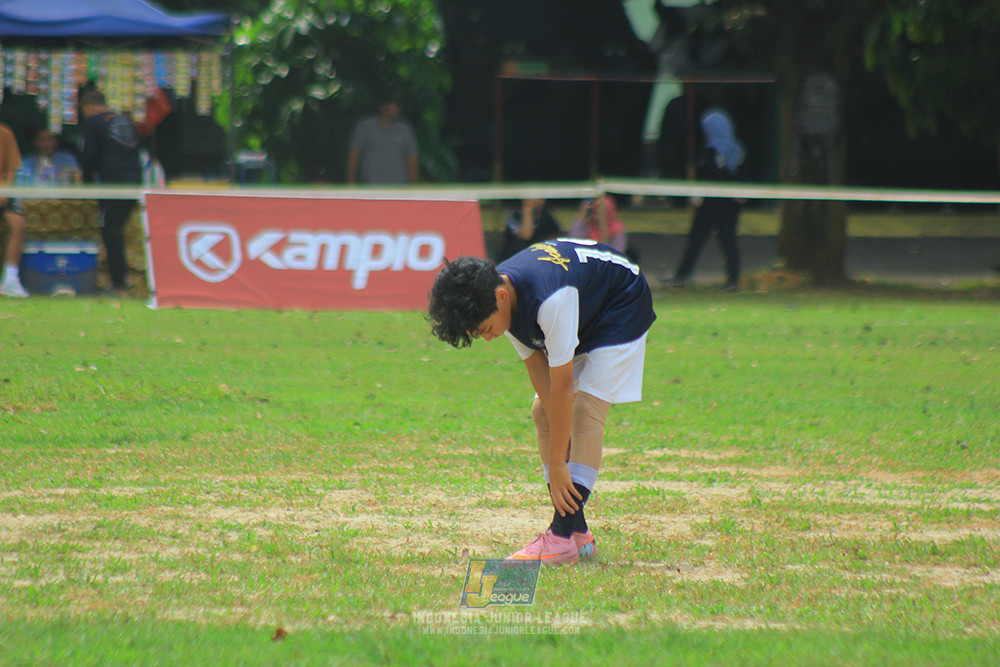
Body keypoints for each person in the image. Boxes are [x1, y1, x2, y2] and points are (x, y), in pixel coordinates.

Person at [428, 239, 656, 565]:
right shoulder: (495, 297)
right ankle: (577, 532)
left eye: (486, 329)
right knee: (541, 412)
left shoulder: (550, 298)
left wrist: (560, 463)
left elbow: (562, 386)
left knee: (585, 412)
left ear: (501, 297)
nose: (490, 338)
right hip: (585, 304)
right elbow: (538, 368)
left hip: (620, 298)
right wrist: (560, 450)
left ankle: (561, 537)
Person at [671, 108, 746, 291]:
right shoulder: (738, 151)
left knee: (701, 239)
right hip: (729, 205)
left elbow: (711, 175)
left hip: (712, 205)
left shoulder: (712, 152)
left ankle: (683, 276)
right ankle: (732, 279)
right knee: (725, 240)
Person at [79, 88, 142, 295]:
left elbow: (89, 155)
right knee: (117, 229)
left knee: (111, 231)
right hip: (134, 181)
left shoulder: (93, 122)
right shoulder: (125, 121)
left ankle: (119, 284)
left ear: (88, 107)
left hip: (113, 183)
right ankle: (123, 277)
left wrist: (87, 184)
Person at [346, 94, 419, 185]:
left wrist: (413, 186)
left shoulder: (404, 130)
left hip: (398, 187)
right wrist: (351, 183)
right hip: (370, 186)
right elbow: (354, 155)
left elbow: (411, 159)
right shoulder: (365, 127)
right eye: (394, 106)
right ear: (383, 108)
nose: (397, 110)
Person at [0, 120, 29, 298]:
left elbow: (12, 168)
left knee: (19, 225)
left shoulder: (5, 133)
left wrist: (6, 191)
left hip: (3, 190)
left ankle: (10, 279)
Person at [496, 198, 561, 262]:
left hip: (537, 259)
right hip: (514, 258)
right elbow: (526, 235)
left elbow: (554, 241)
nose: (539, 201)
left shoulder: (547, 218)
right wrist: (528, 210)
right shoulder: (514, 216)